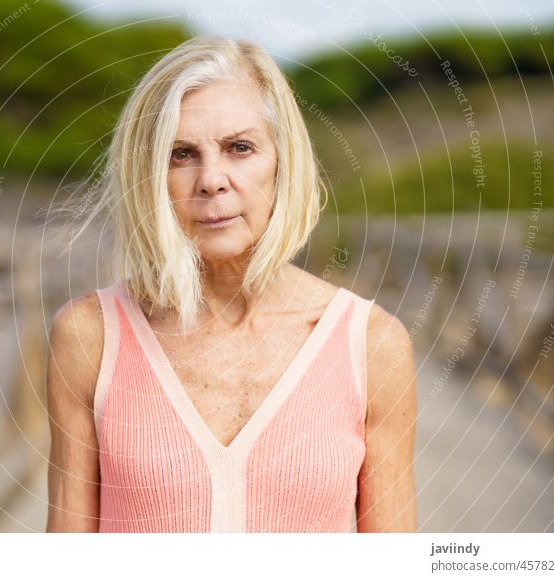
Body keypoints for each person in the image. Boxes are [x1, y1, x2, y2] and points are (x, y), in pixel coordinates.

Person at [45, 35, 417, 533]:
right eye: (181, 154)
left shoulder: (373, 344)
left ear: (284, 163)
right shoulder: (89, 335)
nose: (211, 179)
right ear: (149, 174)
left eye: (240, 148)